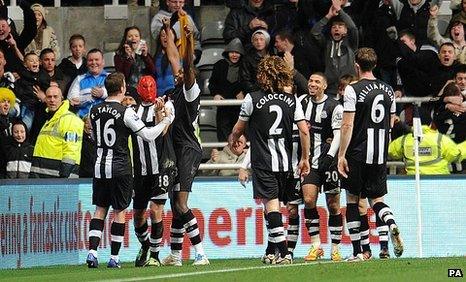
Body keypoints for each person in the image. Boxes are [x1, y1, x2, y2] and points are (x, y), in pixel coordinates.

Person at [86, 72, 173, 268]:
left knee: (99, 210)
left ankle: (92, 253)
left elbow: (91, 134)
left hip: (99, 167)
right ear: (123, 88)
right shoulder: (126, 111)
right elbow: (149, 135)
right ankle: (114, 257)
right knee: (119, 211)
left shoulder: (94, 110)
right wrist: (165, 121)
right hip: (120, 167)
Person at [231, 55, 310, 264]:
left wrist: (233, 140)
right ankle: (270, 250)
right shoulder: (292, 100)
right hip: (286, 163)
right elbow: (304, 130)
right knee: (274, 208)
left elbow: (238, 129)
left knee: (271, 208)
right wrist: (305, 158)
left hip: (264, 162)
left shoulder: (252, 98)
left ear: (262, 75)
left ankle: (284, 253)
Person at [338, 47, 404, 261]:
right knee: (377, 200)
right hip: (379, 154)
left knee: (352, 201)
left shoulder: (352, 89)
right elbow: (392, 121)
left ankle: (359, 251)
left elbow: (347, 125)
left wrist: (341, 155)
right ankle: (391, 222)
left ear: (356, 65)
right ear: (375, 65)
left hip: (357, 152)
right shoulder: (388, 90)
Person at [160, 17, 209, 266]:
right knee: (174, 203)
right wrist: (169, 31)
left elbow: (186, 63)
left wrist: (189, 39)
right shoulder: (176, 90)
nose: (177, 73)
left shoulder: (191, 91)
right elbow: (173, 58)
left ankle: (201, 253)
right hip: (176, 149)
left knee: (181, 203)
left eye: (182, 73)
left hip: (188, 149)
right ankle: (176, 255)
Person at [131, 75, 175, 267]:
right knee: (138, 216)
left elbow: (163, 131)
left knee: (156, 210)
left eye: (151, 86)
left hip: (161, 168)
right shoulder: (131, 110)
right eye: (144, 87)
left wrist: (159, 114)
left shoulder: (166, 105)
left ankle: (155, 256)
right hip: (139, 170)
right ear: (139, 89)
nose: (148, 90)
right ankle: (146, 245)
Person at [300, 72, 344, 262]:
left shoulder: (334, 106)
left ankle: (335, 247)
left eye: (317, 81)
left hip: (329, 161)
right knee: (309, 200)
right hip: (309, 162)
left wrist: (329, 155)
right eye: (310, 81)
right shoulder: (302, 103)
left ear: (325, 86)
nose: (312, 84)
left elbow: (338, 134)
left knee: (333, 205)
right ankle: (316, 245)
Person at [30, 85, 83, 178]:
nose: (52, 100)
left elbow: (72, 148)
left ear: (62, 98)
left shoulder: (70, 119)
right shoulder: (49, 119)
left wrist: (65, 173)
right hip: (43, 177)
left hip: (59, 177)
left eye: (55, 96)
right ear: (45, 99)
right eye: (49, 97)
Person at [389, 107, 461, 175]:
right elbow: (455, 154)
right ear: (430, 123)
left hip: (413, 182)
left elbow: (390, 152)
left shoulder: (404, 140)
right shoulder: (441, 139)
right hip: (439, 182)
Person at [311, 0, 358, 97]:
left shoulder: (350, 43)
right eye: (334, 27)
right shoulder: (327, 44)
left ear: (346, 30)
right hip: (330, 89)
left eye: (340, 27)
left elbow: (353, 28)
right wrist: (328, 16)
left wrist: (339, 10)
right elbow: (314, 32)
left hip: (348, 87)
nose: (336, 29)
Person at [209, 37, 244, 142]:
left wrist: (243, 93)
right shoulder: (219, 65)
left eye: (237, 52)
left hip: (240, 108)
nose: (234, 55)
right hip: (223, 107)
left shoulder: (244, 66)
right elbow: (212, 83)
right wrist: (215, 94)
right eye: (232, 52)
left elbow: (247, 83)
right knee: (223, 135)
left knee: (240, 134)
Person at [114, 26, 155, 99]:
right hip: (129, 93)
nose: (134, 38)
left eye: (136, 36)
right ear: (125, 39)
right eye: (130, 36)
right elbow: (122, 76)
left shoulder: (145, 55)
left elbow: (153, 72)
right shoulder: (119, 56)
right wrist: (128, 58)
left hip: (145, 91)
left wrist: (145, 56)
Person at [68, 48, 108, 118]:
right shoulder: (79, 79)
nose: (93, 62)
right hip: (83, 120)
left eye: (96, 60)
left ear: (103, 62)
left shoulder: (110, 77)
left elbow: (118, 95)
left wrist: (102, 94)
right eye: (90, 60)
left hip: (106, 119)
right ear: (86, 63)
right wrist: (89, 98)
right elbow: (72, 100)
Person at [0, 0, 36, 72]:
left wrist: (26, 9)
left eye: (3, 26)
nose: (0, 29)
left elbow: (30, 30)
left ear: (9, 28)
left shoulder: (17, 42)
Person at [0, 87, 15, 178]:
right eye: (3, 101)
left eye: (8, 102)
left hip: (7, 166)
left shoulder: (11, 121)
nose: (6, 104)